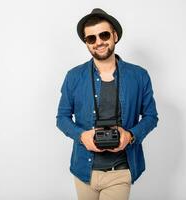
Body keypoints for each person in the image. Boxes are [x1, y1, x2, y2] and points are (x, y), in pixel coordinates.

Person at [56, 8, 159, 200]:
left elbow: (151, 117)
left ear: (115, 36)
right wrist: (81, 136)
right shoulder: (73, 76)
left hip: (120, 170)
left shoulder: (139, 75)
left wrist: (130, 136)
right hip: (84, 170)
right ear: (87, 43)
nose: (99, 42)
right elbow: (61, 118)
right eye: (91, 38)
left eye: (104, 35)